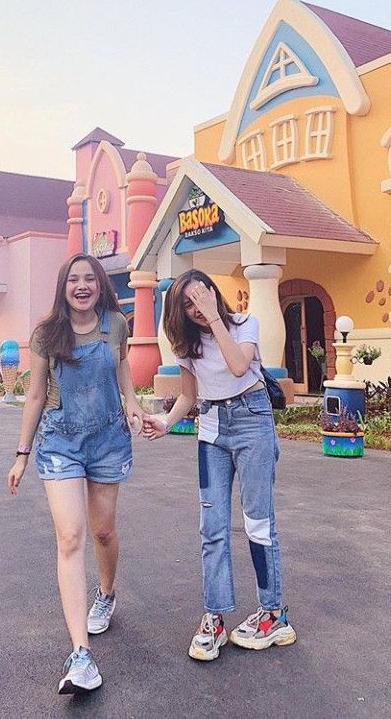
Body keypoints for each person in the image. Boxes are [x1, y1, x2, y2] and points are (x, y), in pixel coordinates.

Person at [7, 253, 144, 695]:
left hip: (108, 439)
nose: (81, 285)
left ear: (99, 284)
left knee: (104, 533)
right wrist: (22, 454)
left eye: (89, 279)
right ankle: (81, 656)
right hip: (60, 442)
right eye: (73, 279)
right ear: (63, 286)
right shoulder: (48, 333)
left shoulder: (115, 324)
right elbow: (33, 396)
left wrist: (133, 402)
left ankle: (105, 595)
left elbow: (122, 367)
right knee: (70, 538)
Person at [143, 269, 296, 661]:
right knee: (211, 528)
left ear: (214, 293)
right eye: (188, 304)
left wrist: (214, 317)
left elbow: (238, 367)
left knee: (257, 522)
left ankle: (274, 613)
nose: (196, 309)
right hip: (211, 431)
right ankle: (214, 617)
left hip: (252, 423)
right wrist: (165, 422)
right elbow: (190, 395)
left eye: (201, 298)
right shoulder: (187, 345)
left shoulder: (245, 324)